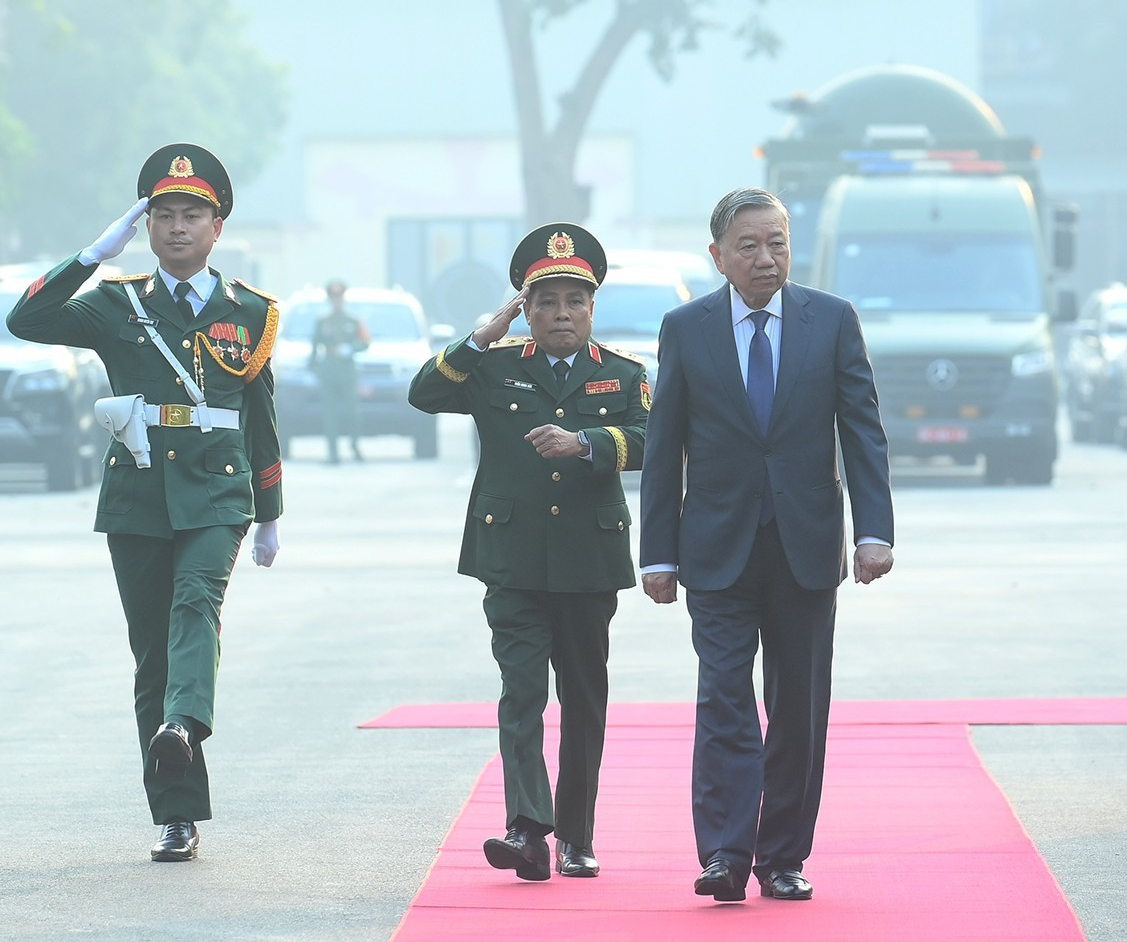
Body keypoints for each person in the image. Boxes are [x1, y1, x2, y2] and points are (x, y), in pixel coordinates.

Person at [6, 144, 284, 863]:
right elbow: (24, 322)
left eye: (193, 214)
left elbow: (261, 414)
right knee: (152, 657)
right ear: (146, 225)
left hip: (220, 490)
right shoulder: (114, 301)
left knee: (197, 602)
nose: (177, 227)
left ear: (217, 225)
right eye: (162, 215)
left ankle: (185, 724)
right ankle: (177, 816)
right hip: (137, 489)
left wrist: (272, 511)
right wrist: (92, 255)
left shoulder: (249, 312)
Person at [638, 187, 894, 904]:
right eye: (748, 245)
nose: (765, 257)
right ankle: (725, 852)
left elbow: (862, 431)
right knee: (724, 699)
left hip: (806, 547)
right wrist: (658, 553)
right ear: (717, 255)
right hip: (716, 549)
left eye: (777, 242)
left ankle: (782, 855)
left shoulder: (832, 321)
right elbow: (665, 447)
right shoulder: (686, 328)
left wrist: (873, 532)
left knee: (799, 707)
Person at [408, 223, 648, 881]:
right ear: (527, 308)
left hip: (588, 562)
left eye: (575, 301)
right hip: (511, 560)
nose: (561, 314)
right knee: (520, 695)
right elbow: (424, 392)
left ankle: (575, 835)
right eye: (546, 302)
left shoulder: (623, 374)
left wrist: (588, 444)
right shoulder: (496, 366)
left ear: (592, 308)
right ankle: (525, 829)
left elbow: (654, 440)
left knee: (583, 701)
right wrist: (486, 331)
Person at [311, 279, 369, 463]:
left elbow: (365, 342)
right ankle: (333, 453)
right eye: (333, 298)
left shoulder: (353, 320)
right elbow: (314, 347)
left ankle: (354, 444)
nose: (337, 301)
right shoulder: (322, 322)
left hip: (347, 371)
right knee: (329, 414)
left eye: (339, 297)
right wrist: (312, 368)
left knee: (353, 412)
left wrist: (352, 347)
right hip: (328, 370)